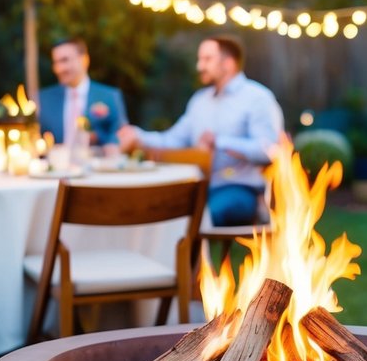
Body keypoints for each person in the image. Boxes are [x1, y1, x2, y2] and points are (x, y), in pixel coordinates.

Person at [117, 35, 284, 227]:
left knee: (195, 220)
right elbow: (172, 139)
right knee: (155, 212)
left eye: (207, 59)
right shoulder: (199, 101)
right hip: (196, 187)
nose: (199, 66)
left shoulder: (258, 98)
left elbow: (269, 150)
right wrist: (137, 135)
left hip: (240, 189)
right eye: (200, 59)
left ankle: (192, 255)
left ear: (228, 63)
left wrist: (219, 142)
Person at [38, 37, 128, 150]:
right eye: (56, 62)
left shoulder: (109, 96)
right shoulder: (44, 99)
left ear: (84, 60)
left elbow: (122, 136)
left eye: (64, 60)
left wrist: (98, 137)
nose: (59, 69)